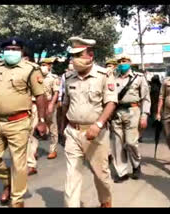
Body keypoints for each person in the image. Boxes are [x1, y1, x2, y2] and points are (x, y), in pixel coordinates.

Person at [0, 37, 47, 208]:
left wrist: (42, 120)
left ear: (22, 52)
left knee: (18, 163)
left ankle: (17, 200)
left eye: (15, 50)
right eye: (8, 49)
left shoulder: (30, 69)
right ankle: (8, 181)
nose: (11, 52)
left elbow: (40, 95)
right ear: (3, 51)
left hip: (19, 121)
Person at [62, 37, 117, 207]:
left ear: (90, 55)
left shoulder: (103, 75)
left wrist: (98, 124)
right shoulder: (69, 77)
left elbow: (111, 103)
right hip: (72, 132)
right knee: (72, 175)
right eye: (73, 56)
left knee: (101, 175)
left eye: (79, 54)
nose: (75, 59)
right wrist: (64, 127)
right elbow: (65, 104)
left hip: (95, 133)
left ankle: (105, 201)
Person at [110, 54, 151, 183]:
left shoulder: (138, 78)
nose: (122, 63)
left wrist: (144, 116)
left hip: (133, 111)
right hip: (116, 112)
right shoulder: (112, 78)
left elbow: (145, 98)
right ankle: (122, 172)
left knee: (131, 142)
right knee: (117, 143)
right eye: (120, 61)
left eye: (125, 61)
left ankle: (136, 164)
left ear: (130, 62)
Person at [40, 57, 60, 159]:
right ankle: (33, 150)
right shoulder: (37, 76)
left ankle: (53, 150)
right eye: (42, 65)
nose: (42, 67)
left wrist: (52, 104)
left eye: (45, 65)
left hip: (48, 103)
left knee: (52, 126)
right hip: (38, 104)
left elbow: (56, 92)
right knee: (34, 125)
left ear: (49, 66)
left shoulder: (53, 78)